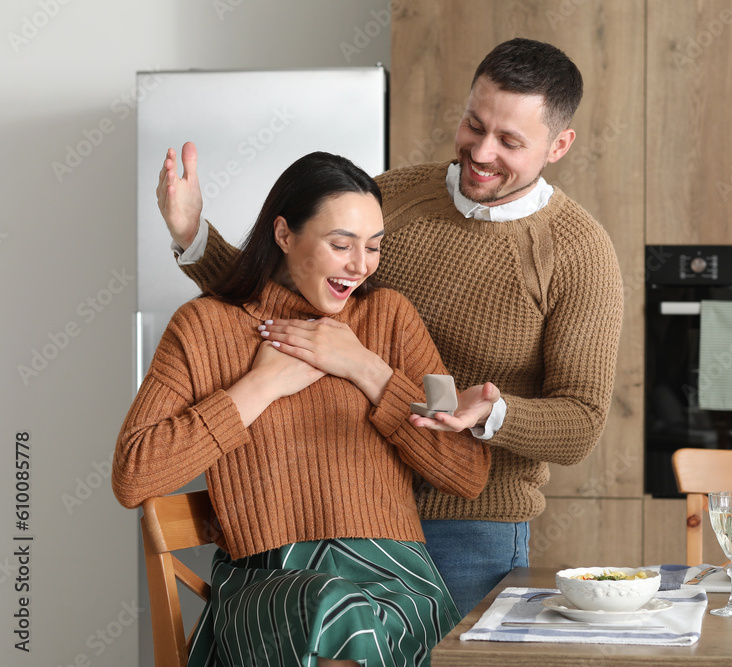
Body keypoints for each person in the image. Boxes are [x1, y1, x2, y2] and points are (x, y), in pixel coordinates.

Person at [158, 38, 624, 616]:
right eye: (474, 124)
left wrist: (492, 413)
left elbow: (580, 422)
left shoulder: (579, 253)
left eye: (509, 141)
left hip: (470, 527)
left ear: (559, 145)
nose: (481, 151)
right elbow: (281, 289)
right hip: (351, 508)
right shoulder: (393, 197)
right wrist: (192, 236)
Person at [113, 152, 490, 666]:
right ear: (285, 235)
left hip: (395, 582)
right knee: (333, 608)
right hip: (270, 584)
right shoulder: (203, 327)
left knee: (353, 614)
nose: (360, 266)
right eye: (341, 245)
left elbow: (468, 472)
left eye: (373, 247)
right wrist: (259, 386)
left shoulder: (393, 319)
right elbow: (133, 475)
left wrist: (367, 370)